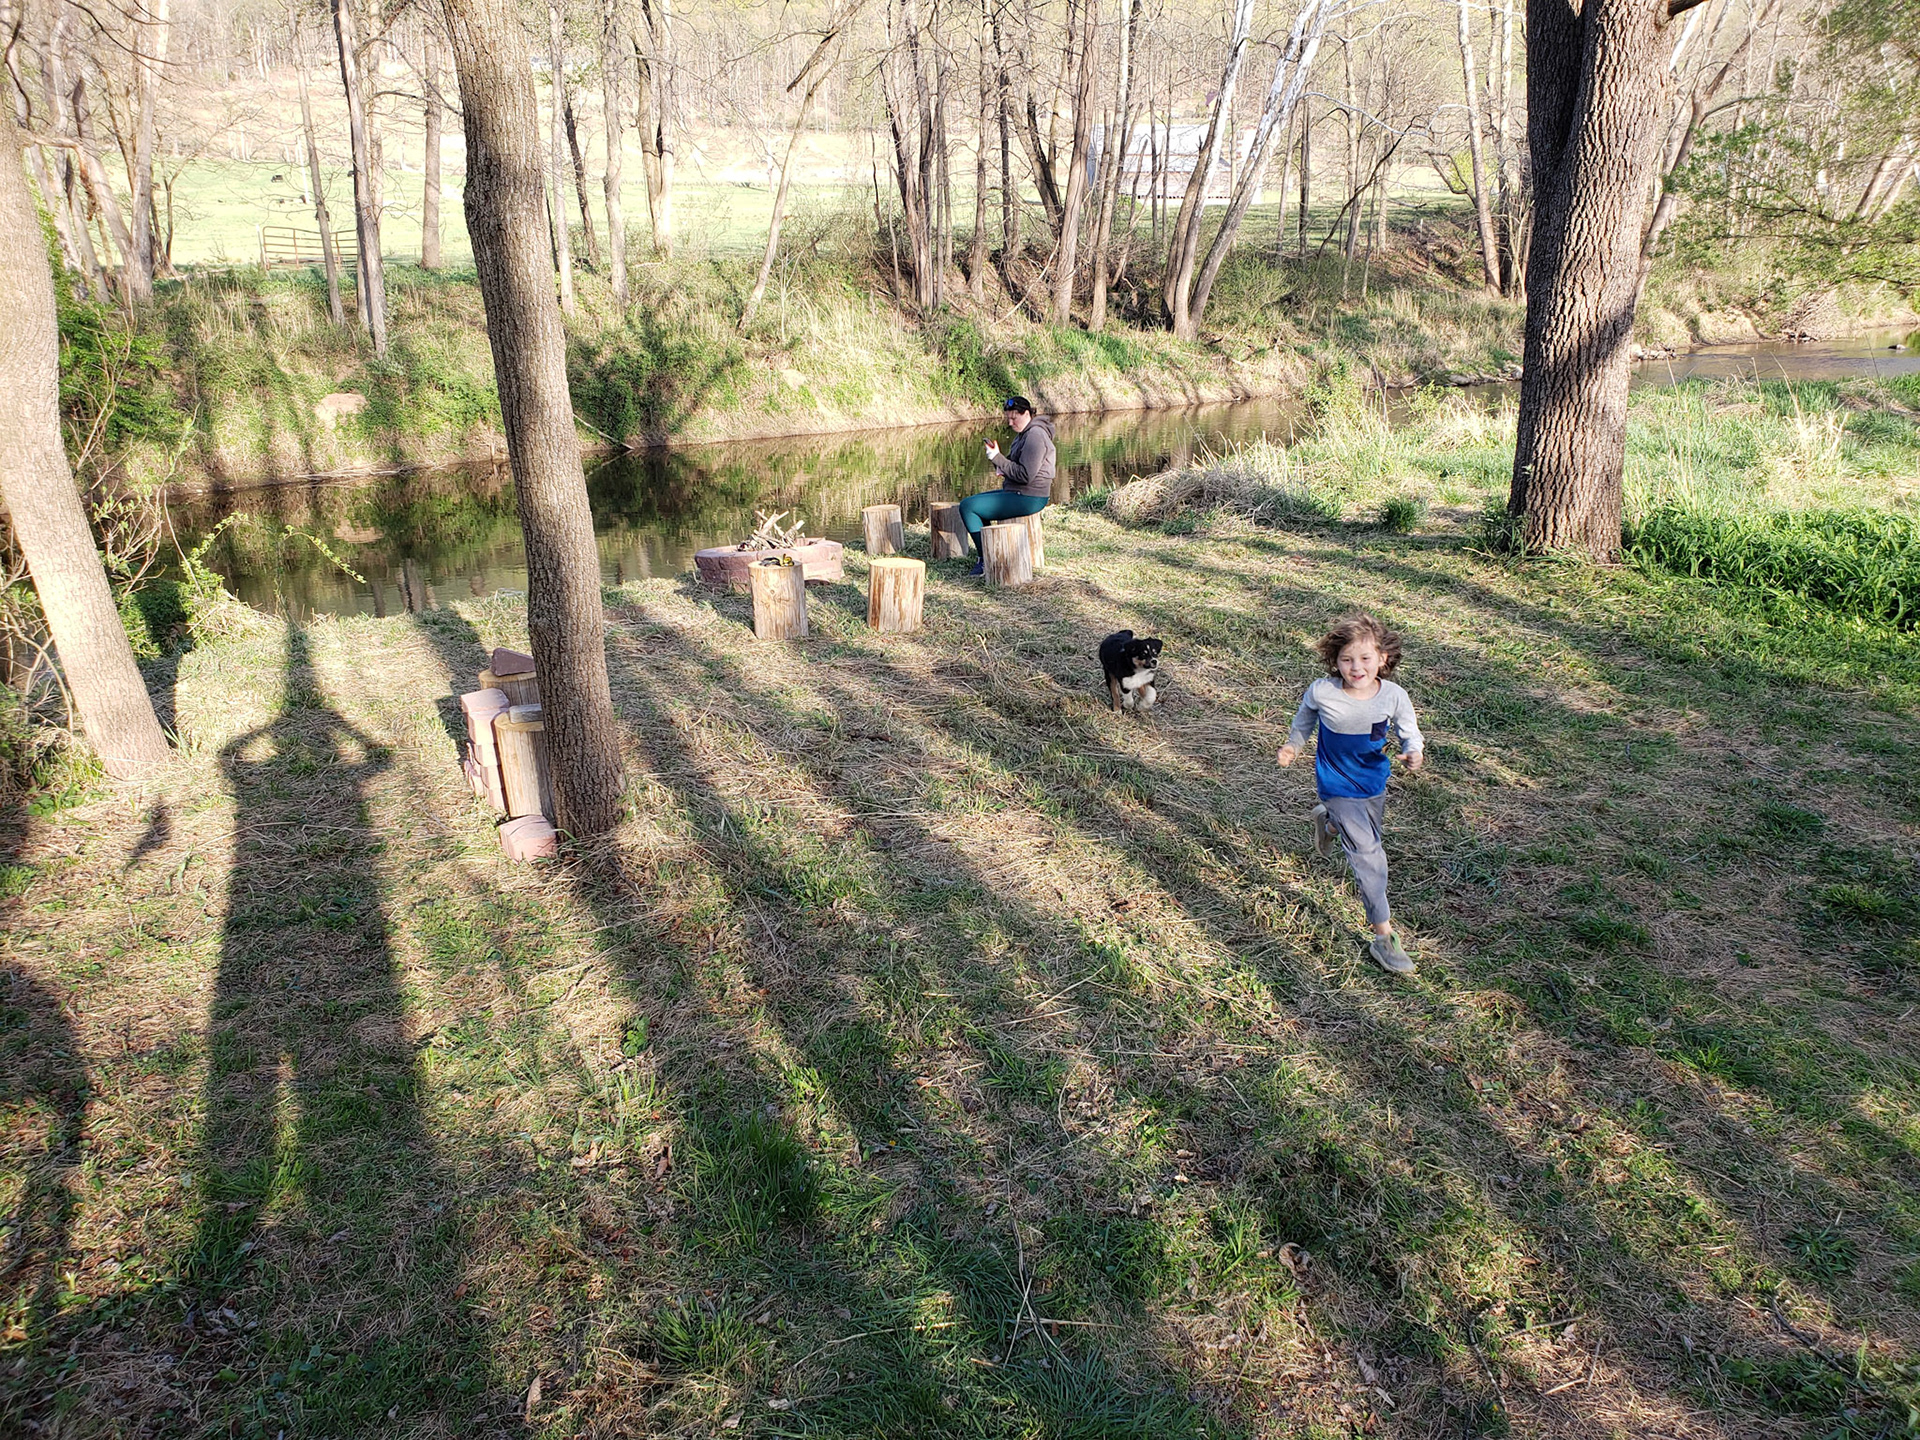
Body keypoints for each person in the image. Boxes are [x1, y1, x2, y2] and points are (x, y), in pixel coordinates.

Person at [1276, 612, 1426, 975]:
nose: (1355, 667)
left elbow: (1409, 731)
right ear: (1335, 661)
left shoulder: (1393, 696)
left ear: (1382, 659)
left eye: (1364, 659)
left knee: (1363, 835)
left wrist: (1414, 752)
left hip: (1373, 783)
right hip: (1337, 784)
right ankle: (1384, 938)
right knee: (1370, 858)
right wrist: (1293, 746)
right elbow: (1304, 720)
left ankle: (1328, 824)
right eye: (1346, 659)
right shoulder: (1323, 691)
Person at [958, 396, 1055, 576]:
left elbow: (1025, 475)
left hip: (1029, 497)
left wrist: (998, 458)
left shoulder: (1035, 435)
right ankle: (990, 552)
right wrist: (997, 459)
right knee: (974, 502)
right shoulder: (1024, 434)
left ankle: (985, 559)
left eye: (1014, 418)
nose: (1010, 423)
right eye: (1008, 418)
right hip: (1018, 491)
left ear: (1026, 413)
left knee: (968, 506)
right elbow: (1013, 466)